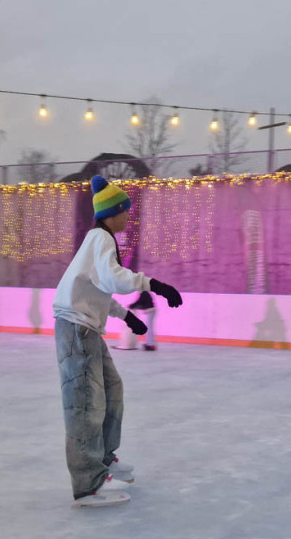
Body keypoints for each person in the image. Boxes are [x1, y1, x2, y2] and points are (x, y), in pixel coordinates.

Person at [52, 175, 183, 509]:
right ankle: (88, 483)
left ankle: (104, 459)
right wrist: (154, 284)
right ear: (111, 213)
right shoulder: (101, 238)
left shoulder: (98, 240)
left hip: (86, 328)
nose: (128, 215)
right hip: (76, 330)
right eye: (125, 210)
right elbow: (112, 279)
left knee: (112, 389)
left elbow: (97, 288)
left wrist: (126, 317)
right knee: (85, 404)